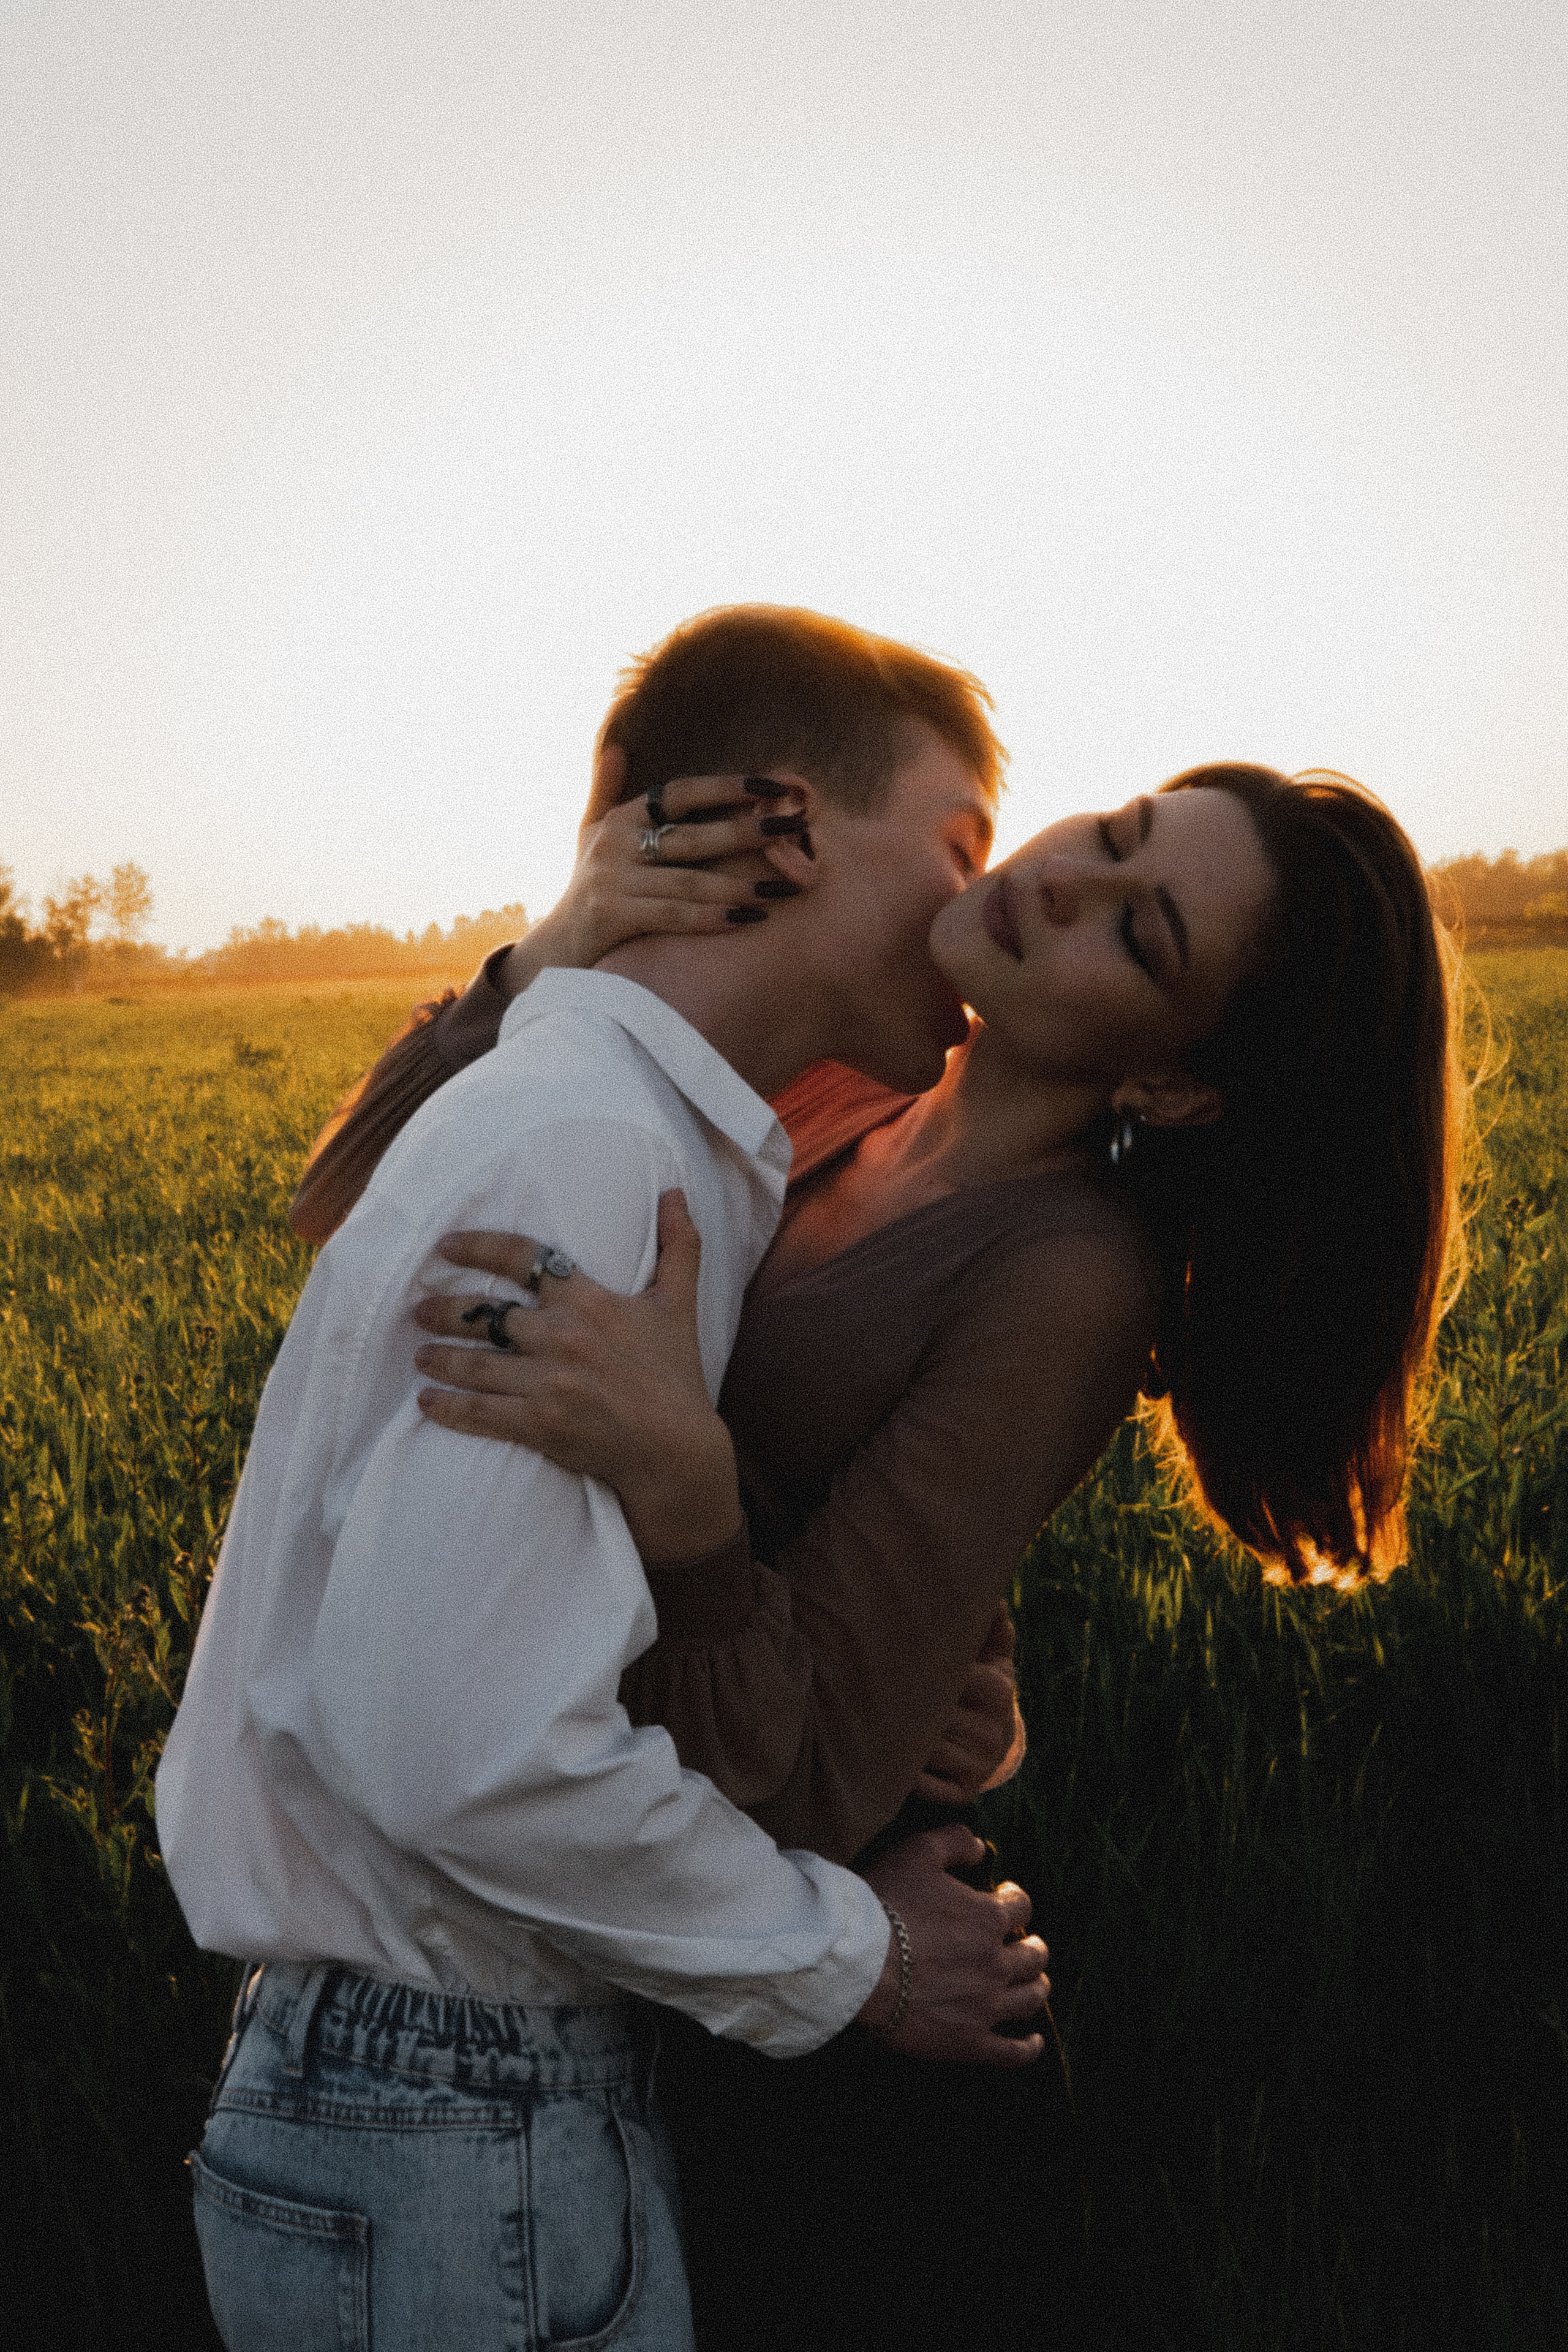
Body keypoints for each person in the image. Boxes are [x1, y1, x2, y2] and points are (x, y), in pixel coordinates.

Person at [296, 745, 1460, 2348]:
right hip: (648, 1940)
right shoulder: (828, 1097)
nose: (1065, 881)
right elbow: (363, 1229)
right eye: (1116, 835)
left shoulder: (1073, 1277)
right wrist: (545, 957)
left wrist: (693, 1497)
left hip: (830, 2052)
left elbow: (813, 1767)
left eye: (1139, 935)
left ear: (1174, 1085)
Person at [154, 606, 1061, 2352]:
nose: (972, 918)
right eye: (954, 850)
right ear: (782, 834)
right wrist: (852, 1955)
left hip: (464, 2106)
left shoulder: (661, 1136)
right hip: (456, 2120)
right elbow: (457, 1747)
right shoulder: (593, 1149)